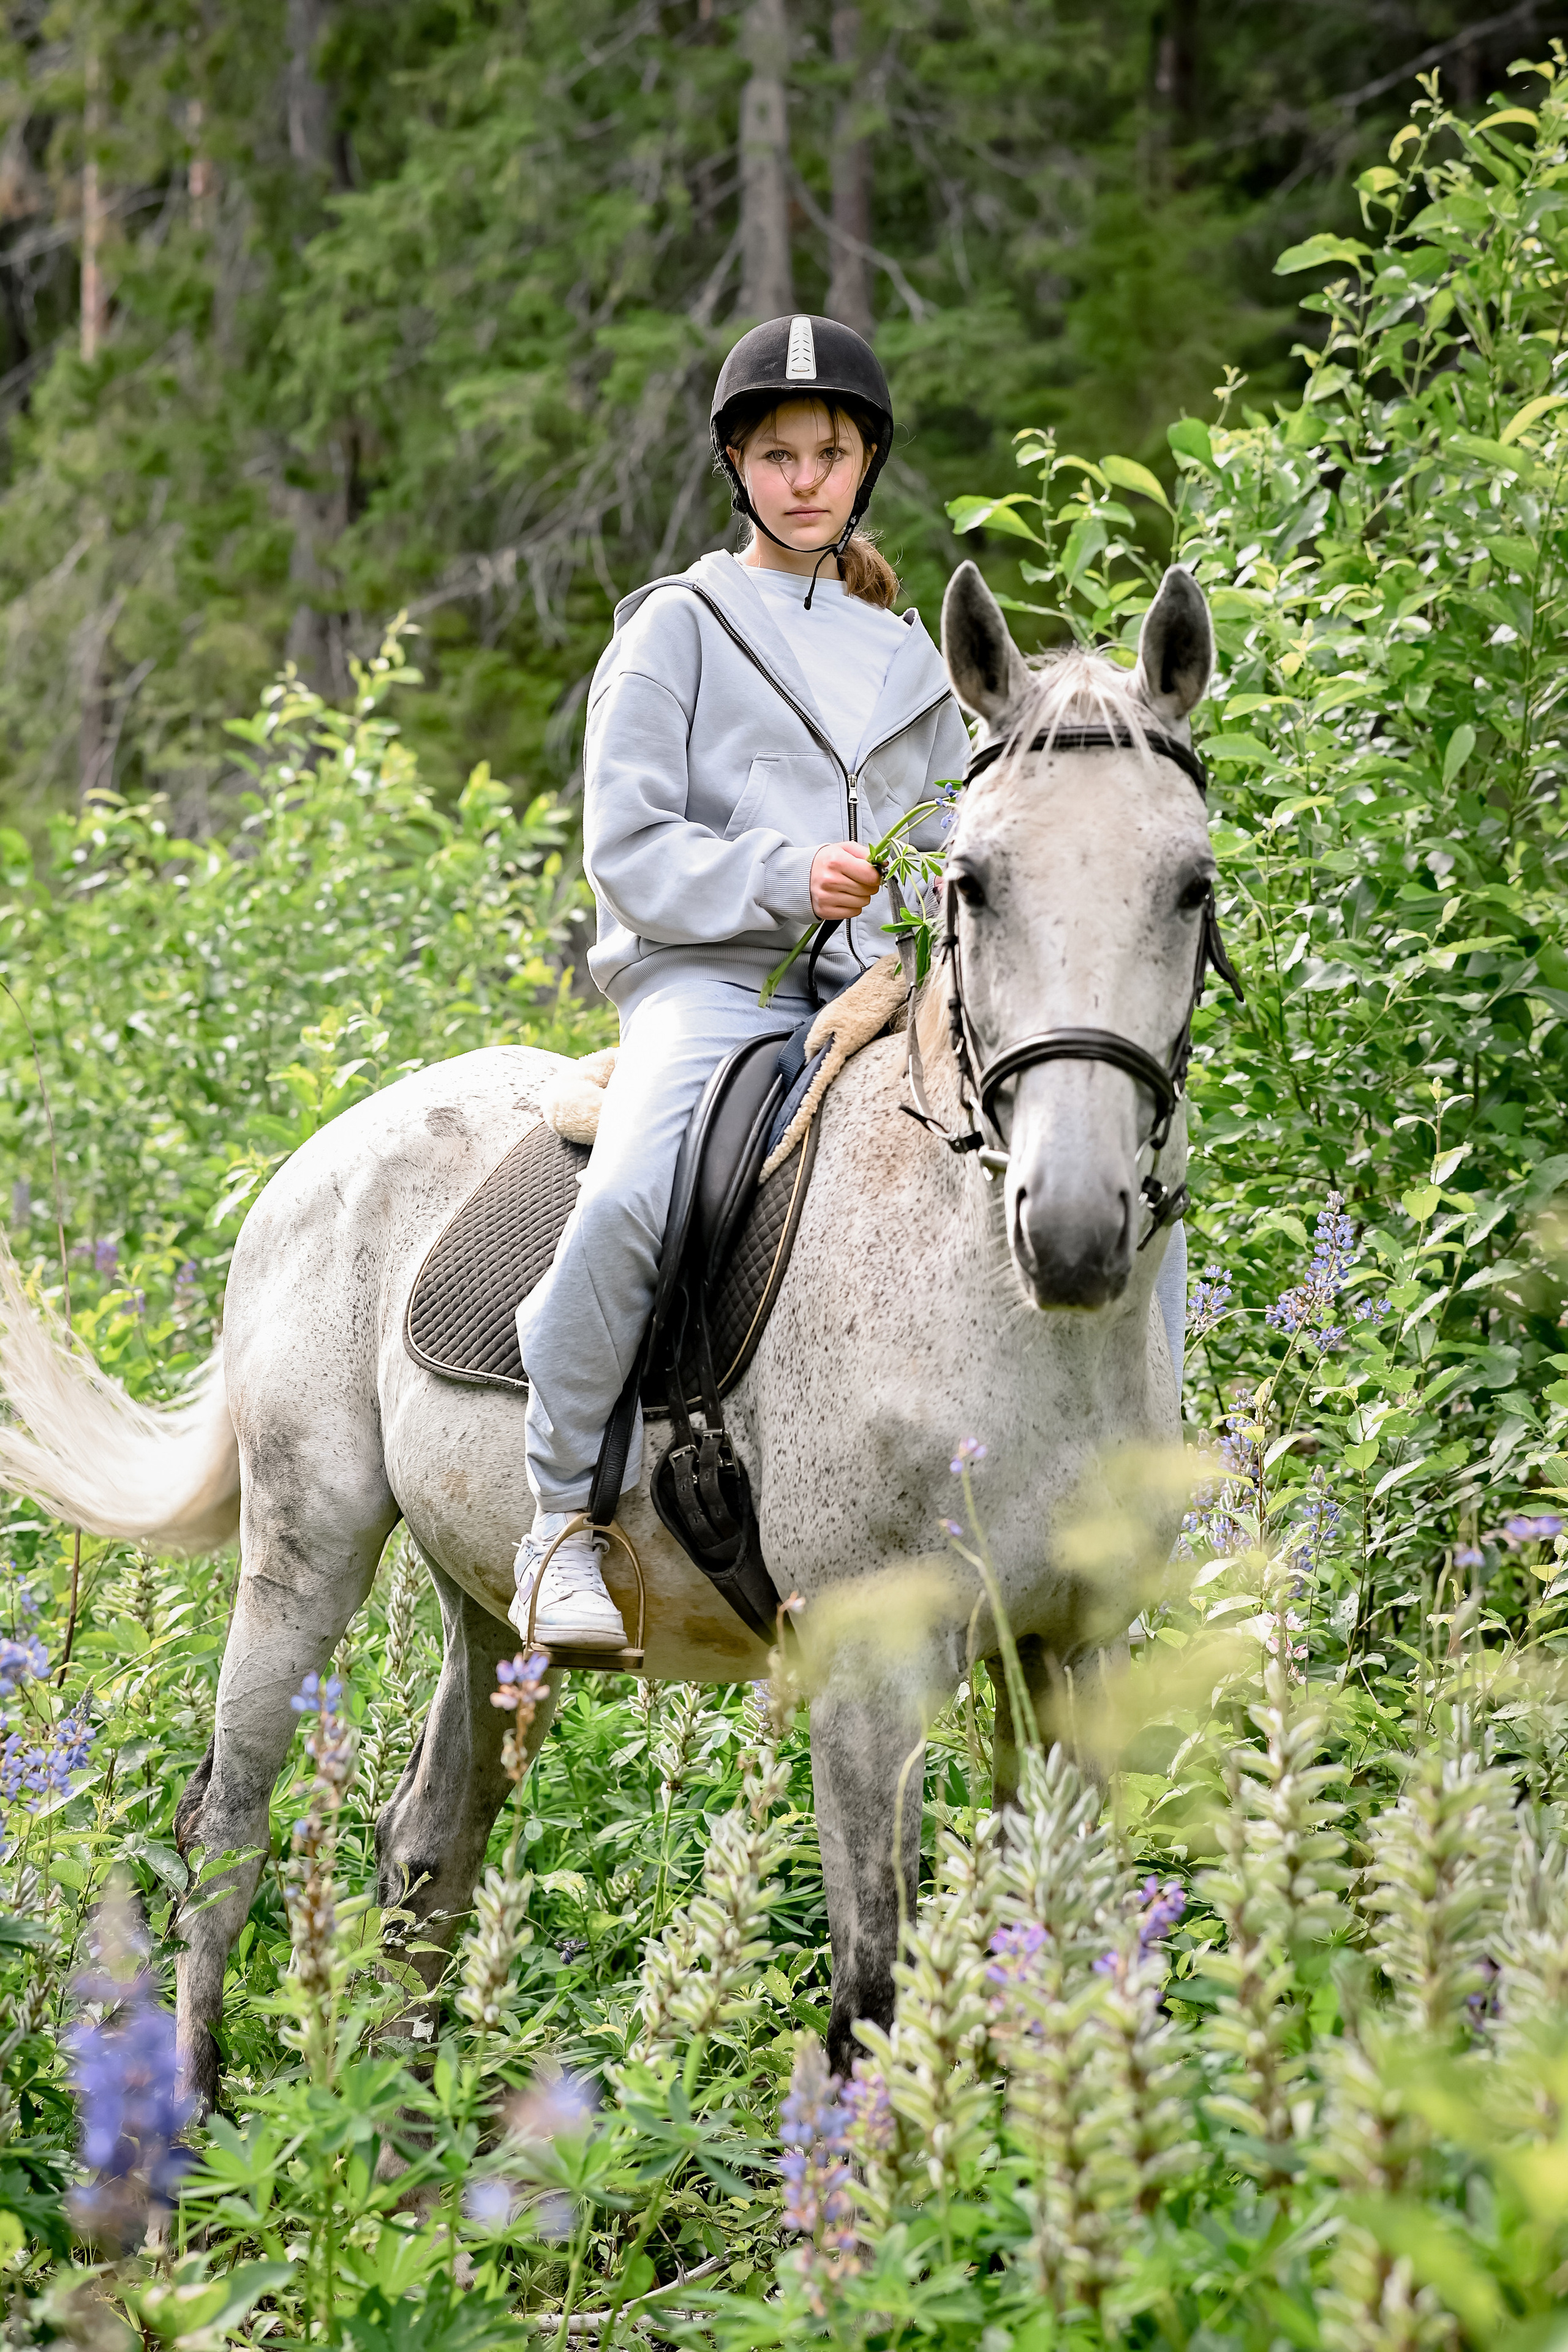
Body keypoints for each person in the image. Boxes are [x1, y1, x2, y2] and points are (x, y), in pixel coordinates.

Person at [510, 314, 1187, 1648]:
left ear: (862, 464)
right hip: (709, 987)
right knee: (637, 1191)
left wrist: (910, 945)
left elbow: (954, 845)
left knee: (1134, 1160)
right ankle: (555, 1522)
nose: (805, 478)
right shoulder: (676, 630)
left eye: (829, 453)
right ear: (737, 467)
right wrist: (782, 878)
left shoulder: (904, 661)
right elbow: (627, 848)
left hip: (877, 994)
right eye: (778, 455)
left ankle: (1142, 1480)